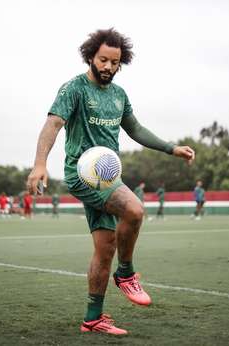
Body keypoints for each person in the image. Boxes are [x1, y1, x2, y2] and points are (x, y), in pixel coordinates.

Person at [27, 28, 195, 335]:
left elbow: (136, 129)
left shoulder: (119, 95)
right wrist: (40, 164)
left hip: (107, 176)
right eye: (103, 59)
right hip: (84, 174)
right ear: (90, 56)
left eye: (114, 62)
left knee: (105, 248)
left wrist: (171, 148)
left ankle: (92, 318)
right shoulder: (73, 89)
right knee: (135, 210)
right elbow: (52, 124)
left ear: (121, 63)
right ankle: (127, 274)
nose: (107, 66)